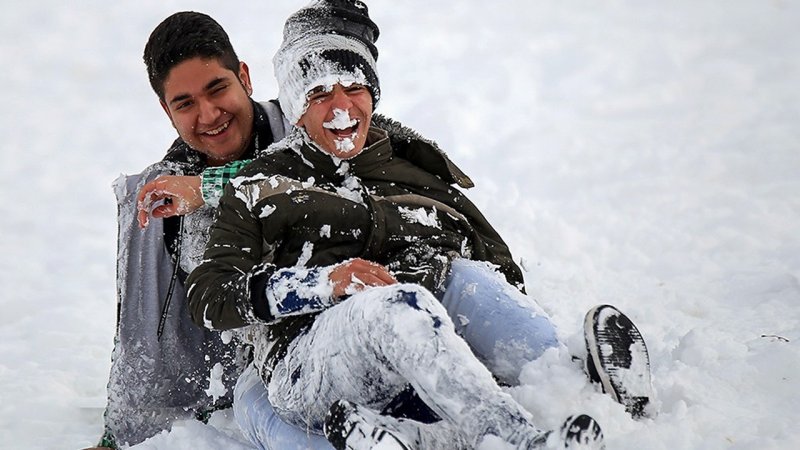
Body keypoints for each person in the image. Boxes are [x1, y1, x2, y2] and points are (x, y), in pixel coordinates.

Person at [186, 1, 653, 448]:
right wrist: (323, 283)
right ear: (295, 107)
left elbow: (490, 256)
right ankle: (517, 441)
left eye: (354, 88)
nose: (342, 108)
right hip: (311, 362)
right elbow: (208, 296)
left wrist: (490, 311)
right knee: (392, 305)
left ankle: (572, 385)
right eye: (320, 94)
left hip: (418, 342)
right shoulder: (259, 185)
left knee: (465, 278)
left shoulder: (409, 165)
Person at [88, 11, 293, 449]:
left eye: (217, 89)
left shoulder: (304, 126)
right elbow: (143, 328)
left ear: (244, 77)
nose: (209, 114)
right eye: (185, 104)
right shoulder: (162, 194)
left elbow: (313, 180)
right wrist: (121, 435)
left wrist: (209, 188)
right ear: (167, 111)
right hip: (249, 390)